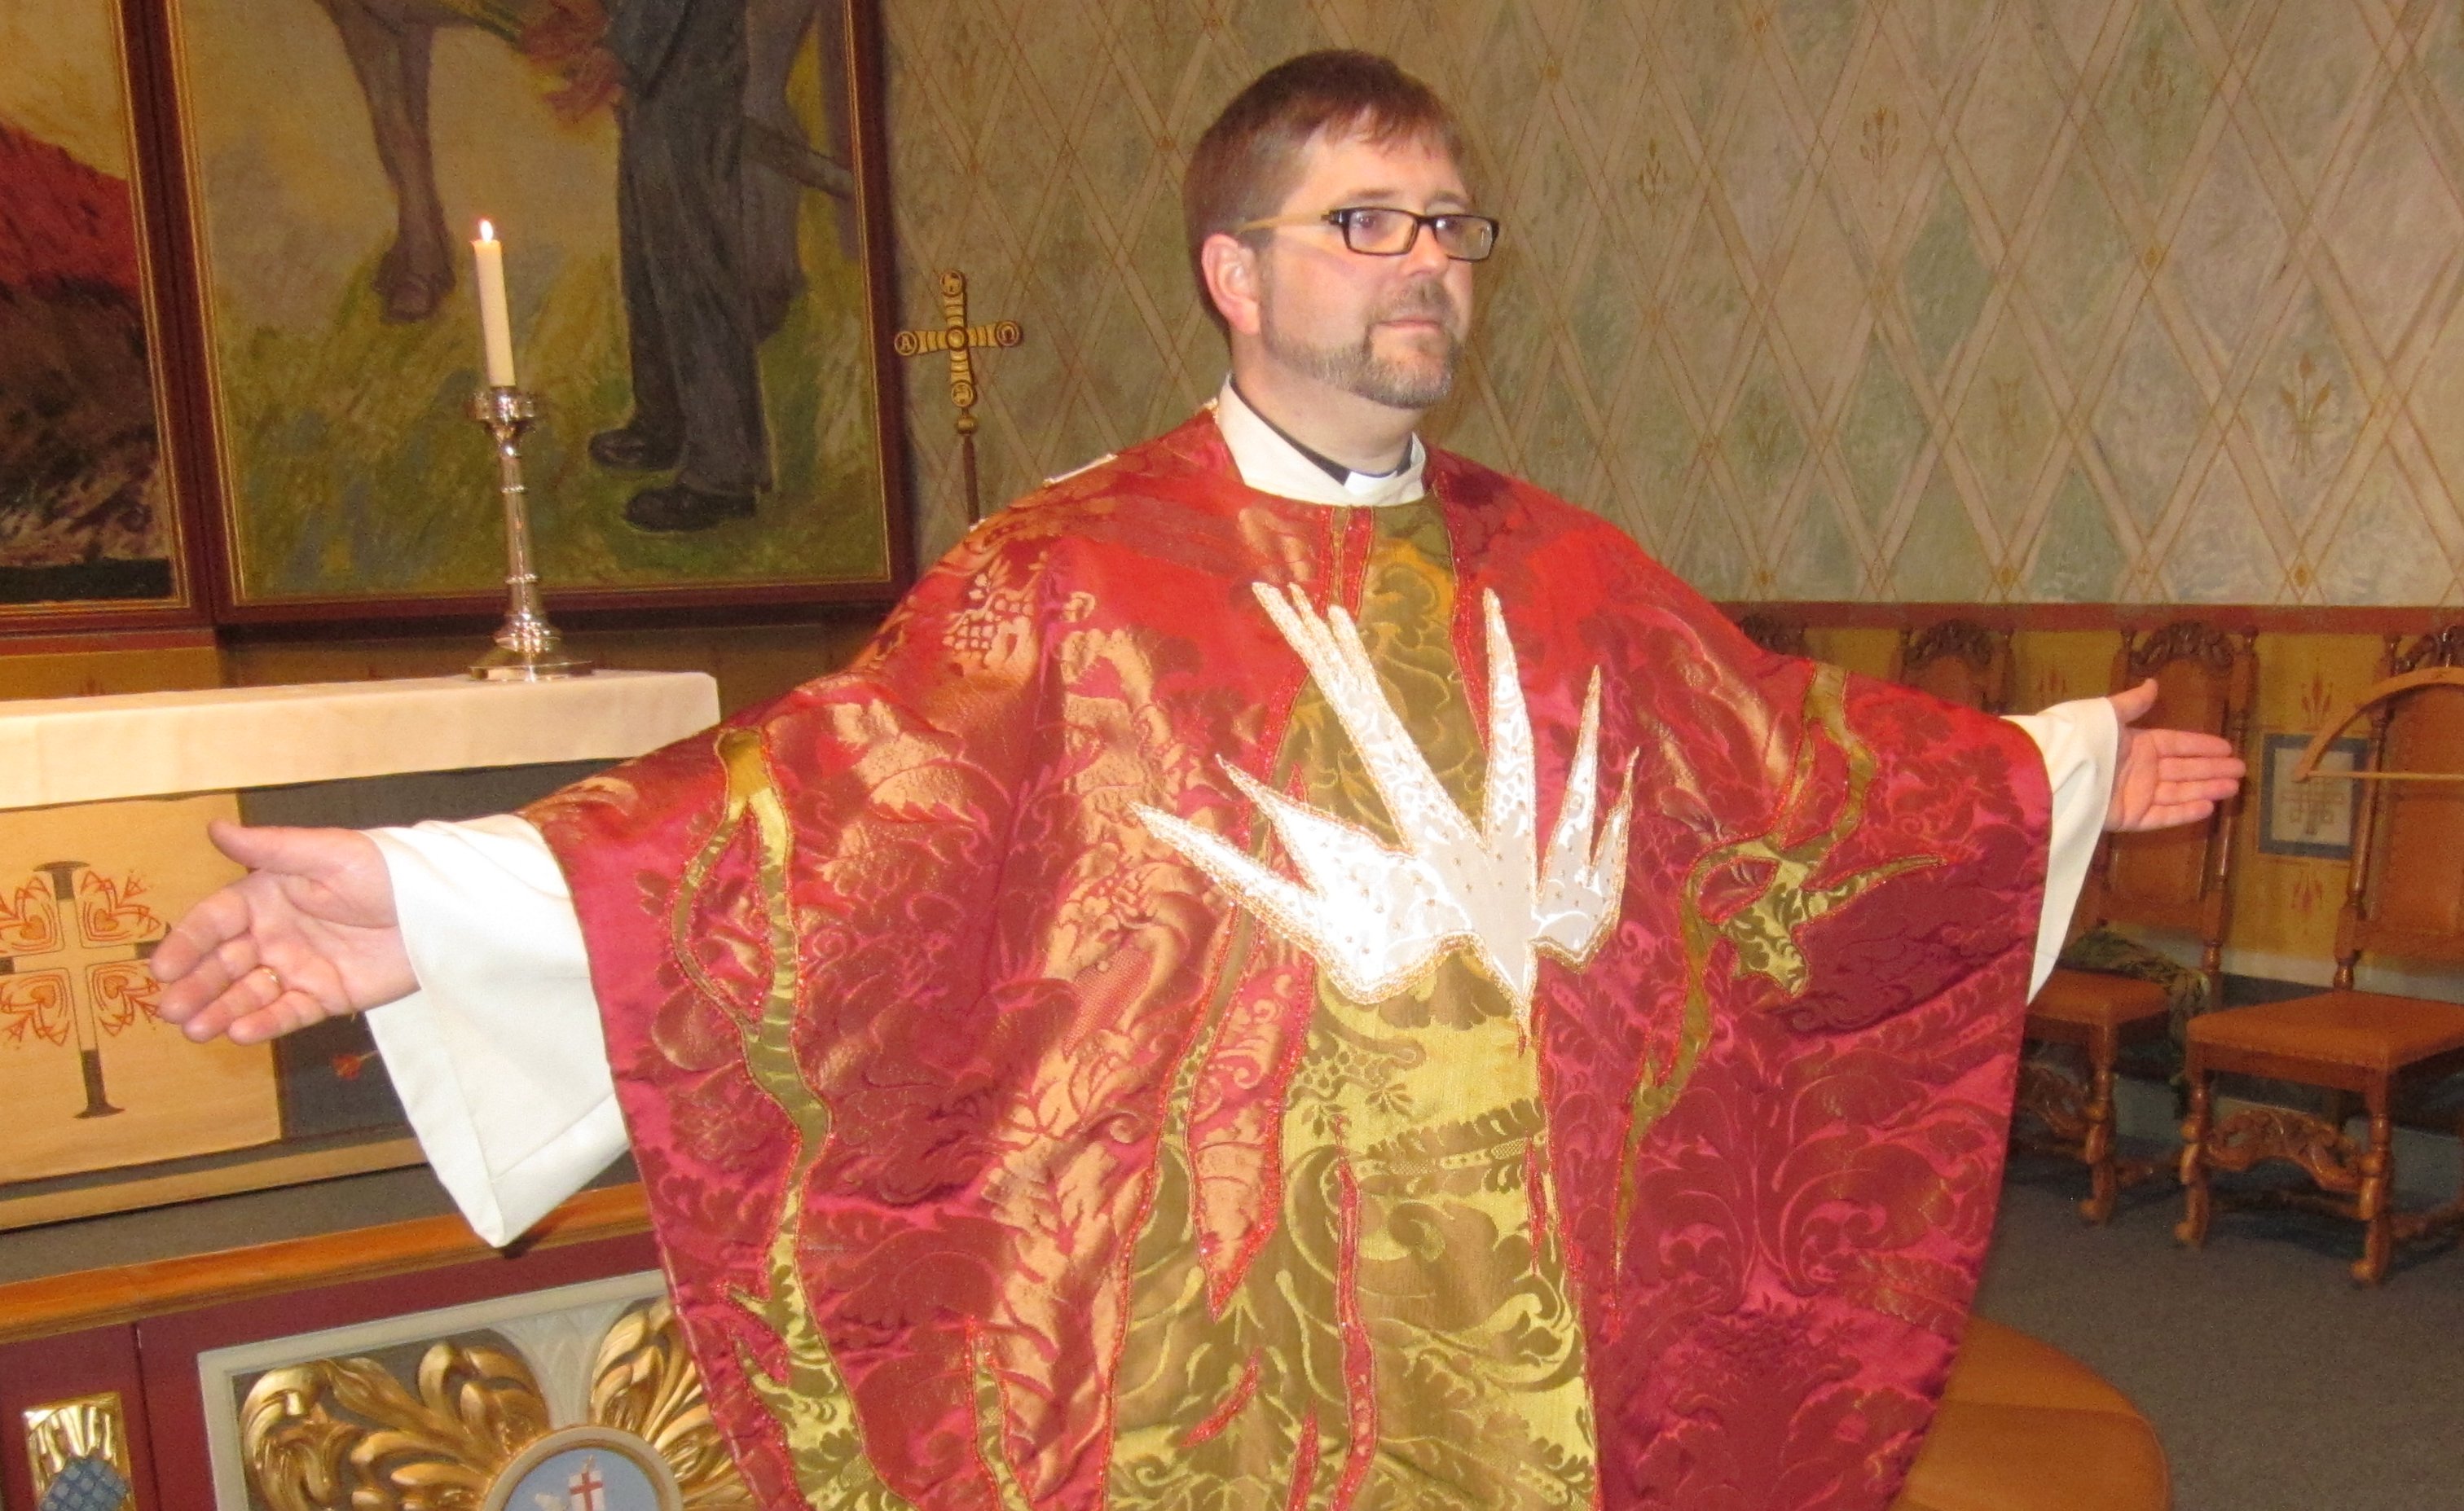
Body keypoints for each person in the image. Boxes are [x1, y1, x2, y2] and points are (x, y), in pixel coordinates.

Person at [154, 52, 2242, 1511]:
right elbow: (815, 831)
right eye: (1363, 223)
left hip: (1568, 1294)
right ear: (1236, 275)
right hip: (1238, 1325)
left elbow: (1796, 776)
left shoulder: (1568, 569)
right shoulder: (1074, 579)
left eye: (1448, 222)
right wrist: (439, 905)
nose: (1425, 261)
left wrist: (2049, 772)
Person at [585, 0, 772, 533]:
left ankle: (723, 472)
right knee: (649, 268)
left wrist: (619, 48)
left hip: (691, 75)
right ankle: (662, 424)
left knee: (692, 269)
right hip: (661, 77)